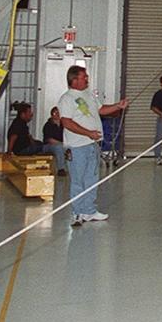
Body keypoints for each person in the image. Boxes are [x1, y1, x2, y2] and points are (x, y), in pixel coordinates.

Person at [57, 65, 127, 225]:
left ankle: (89, 211)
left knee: (91, 179)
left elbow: (101, 110)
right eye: (84, 77)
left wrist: (118, 105)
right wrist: (87, 133)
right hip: (77, 147)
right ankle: (77, 213)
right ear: (74, 80)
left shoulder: (89, 95)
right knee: (77, 181)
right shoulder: (66, 99)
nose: (87, 79)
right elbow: (66, 122)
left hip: (93, 145)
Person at [42, 106, 68, 177]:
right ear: (53, 114)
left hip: (62, 144)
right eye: (56, 113)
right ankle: (61, 169)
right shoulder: (48, 125)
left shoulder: (64, 125)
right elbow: (49, 140)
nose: (58, 114)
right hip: (49, 145)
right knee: (59, 147)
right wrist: (63, 144)